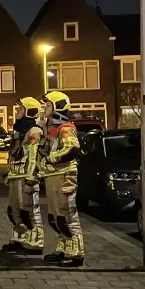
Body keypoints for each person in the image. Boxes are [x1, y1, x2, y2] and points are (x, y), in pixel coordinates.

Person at [37, 90, 85, 267]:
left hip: (64, 175)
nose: (44, 108)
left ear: (58, 107)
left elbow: (72, 150)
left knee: (67, 215)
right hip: (52, 175)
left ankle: (76, 253)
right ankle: (63, 248)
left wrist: (51, 158)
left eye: (48, 105)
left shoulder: (66, 128)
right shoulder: (50, 128)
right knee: (55, 217)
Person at [3, 97, 45, 255]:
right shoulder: (19, 130)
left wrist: (31, 179)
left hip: (26, 178)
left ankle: (36, 243)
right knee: (14, 211)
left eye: (20, 109)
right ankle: (20, 239)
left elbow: (34, 157)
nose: (17, 112)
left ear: (29, 112)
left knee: (29, 212)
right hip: (15, 176)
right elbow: (14, 154)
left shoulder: (34, 131)